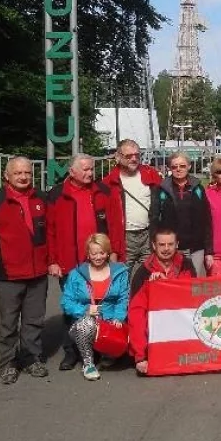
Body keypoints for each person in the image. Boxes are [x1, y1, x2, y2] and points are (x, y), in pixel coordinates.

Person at [0, 156, 49, 384]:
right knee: (8, 323)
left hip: (37, 273)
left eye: (27, 172)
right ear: (7, 176)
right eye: (18, 173)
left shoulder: (41, 199)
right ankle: (7, 363)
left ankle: (31, 359)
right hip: (8, 275)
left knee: (34, 320)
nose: (24, 177)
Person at [47, 154, 125, 371]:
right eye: (85, 170)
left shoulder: (104, 191)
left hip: (100, 260)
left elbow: (115, 225)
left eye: (91, 169)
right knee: (73, 309)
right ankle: (72, 352)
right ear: (71, 171)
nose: (90, 173)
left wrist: (116, 252)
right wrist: (52, 261)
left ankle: (100, 349)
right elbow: (50, 231)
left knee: (102, 305)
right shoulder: (56, 195)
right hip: (70, 263)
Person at [60, 233, 130, 381]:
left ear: (108, 252)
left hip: (110, 320)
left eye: (102, 253)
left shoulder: (120, 271)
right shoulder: (76, 274)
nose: (98, 257)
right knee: (87, 323)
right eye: (94, 253)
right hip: (83, 322)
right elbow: (66, 302)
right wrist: (85, 310)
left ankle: (109, 354)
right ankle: (88, 363)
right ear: (88, 254)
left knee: (123, 329)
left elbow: (123, 298)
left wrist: (118, 317)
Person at [127, 228, 197, 375]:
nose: (166, 249)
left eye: (170, 244)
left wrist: (166, 285)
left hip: (183, 326)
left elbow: (194, 303)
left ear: (177, 244)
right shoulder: (142, 273)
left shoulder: (187, 265)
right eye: (162, 245)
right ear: (154, 245)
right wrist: (140, 357)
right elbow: (136, 316)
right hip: (156, 333)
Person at [101, 139, 163, 273]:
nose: (134, 159)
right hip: (124, 238)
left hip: (148, 234)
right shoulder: (108, 183)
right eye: (129, 156)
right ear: (118, 157)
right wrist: (112, 248)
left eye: (137, 155)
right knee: (122, 280)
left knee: (150, 278)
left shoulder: (151, 174)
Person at [150, 152, 212, 277]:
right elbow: (154, 219)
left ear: (189, 166)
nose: (178, 169)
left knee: (194, 286)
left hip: (196, 247)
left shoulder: (198, 188)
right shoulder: (161, 189)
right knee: (173, 285)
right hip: (171, 248)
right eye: (174, 166)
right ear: (169, 168)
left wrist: (209, 250)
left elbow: (207, 220)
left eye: (182, 166)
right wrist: (155, 247)